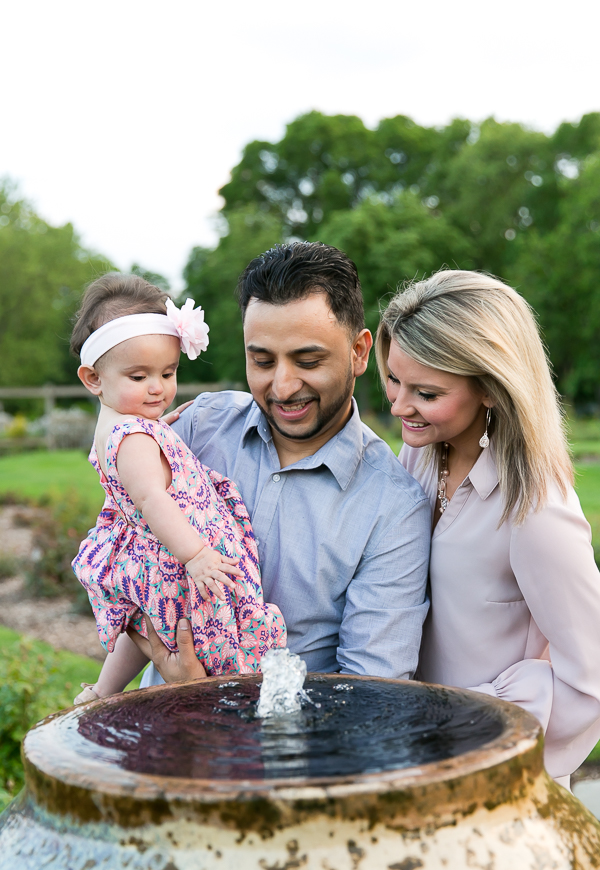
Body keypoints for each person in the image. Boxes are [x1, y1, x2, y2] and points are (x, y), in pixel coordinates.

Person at [132, 241, 431, 686]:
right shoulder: (197, 430)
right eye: (262, 361)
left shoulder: (393, 508)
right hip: (156, 738)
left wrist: (203, 692)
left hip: (290, 751)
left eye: (308, 361)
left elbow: (368, 694)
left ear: (360, 352)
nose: (284, 386)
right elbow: (123, 553)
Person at [375, 268, 600, 787]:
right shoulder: (421, 452)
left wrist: (482, 726)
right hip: (412, 764)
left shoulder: (535, 506)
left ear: (493, 389)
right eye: (393, 379)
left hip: (491, 786)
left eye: (427, 393)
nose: (398, 406)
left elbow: (588, 676)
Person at [70, 273, 286, 703]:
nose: (158, 387)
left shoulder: (129, 425)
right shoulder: (133, 438)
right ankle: (238, 693)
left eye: (167, 372)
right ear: (93, 378)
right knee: (203, 629)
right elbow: (152, 497)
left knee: (144, 620)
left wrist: (158, 431)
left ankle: (103, 690)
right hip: (175, 555)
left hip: (156, 555)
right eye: (138, 376)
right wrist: (196, 553)